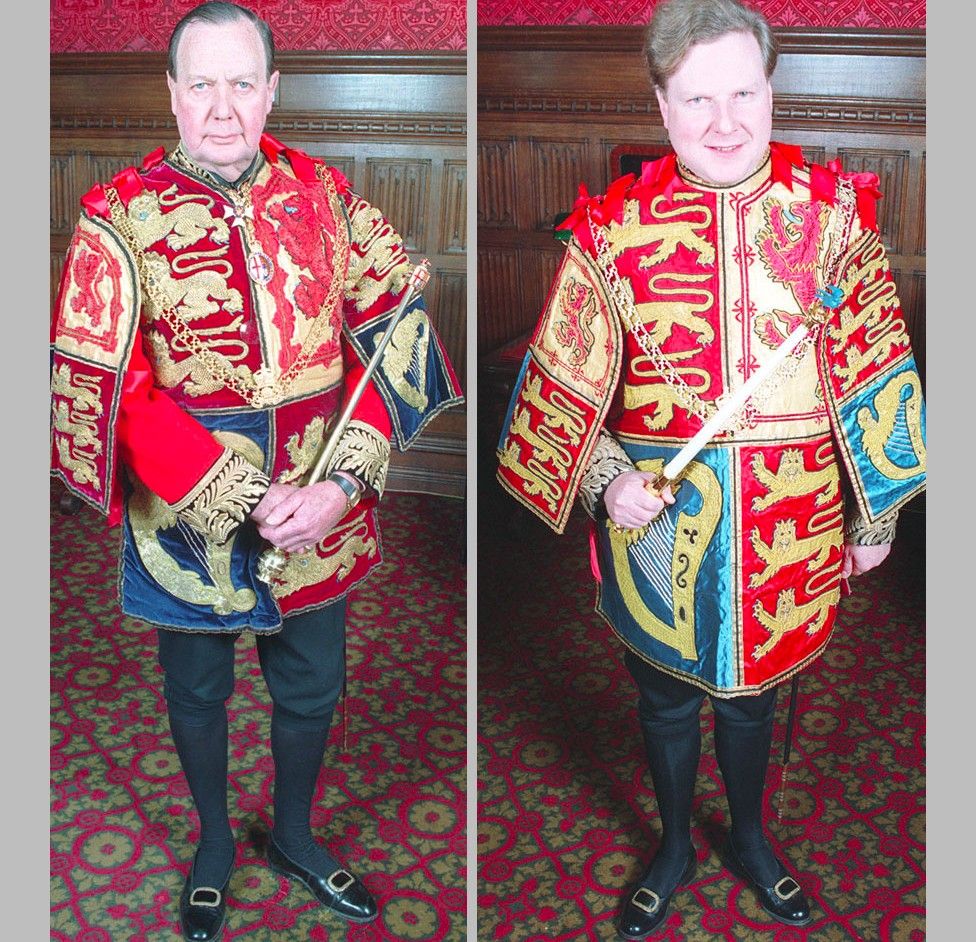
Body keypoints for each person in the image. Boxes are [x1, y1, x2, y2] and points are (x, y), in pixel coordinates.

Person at [496, 0, 925, 937]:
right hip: (663, 526)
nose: (725, 122)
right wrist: (609, 476)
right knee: (661, 693)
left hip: (792, 521)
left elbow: (876, 370)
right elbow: (561, 390)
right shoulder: (610, 231)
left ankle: (754, 837)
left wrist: (876, 515)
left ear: (772, 90)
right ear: (661, 105)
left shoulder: (834, 225)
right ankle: (677, 846)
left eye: (743, 93)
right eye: (697, 100)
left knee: (755, 697)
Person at [50, 3, 462, 940]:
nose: (224, 107)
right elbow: (116, 387)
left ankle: (295, 834)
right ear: (172, 93)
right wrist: (236, 495)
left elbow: (393, 340)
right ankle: (210, 842)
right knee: (196, 687)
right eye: (202, 83)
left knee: (313, 684)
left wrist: (342, 485)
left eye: (243, 82)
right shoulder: (117, 216)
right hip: (186, 510)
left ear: (273, 89)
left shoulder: (328, 195)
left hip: (323, 501)